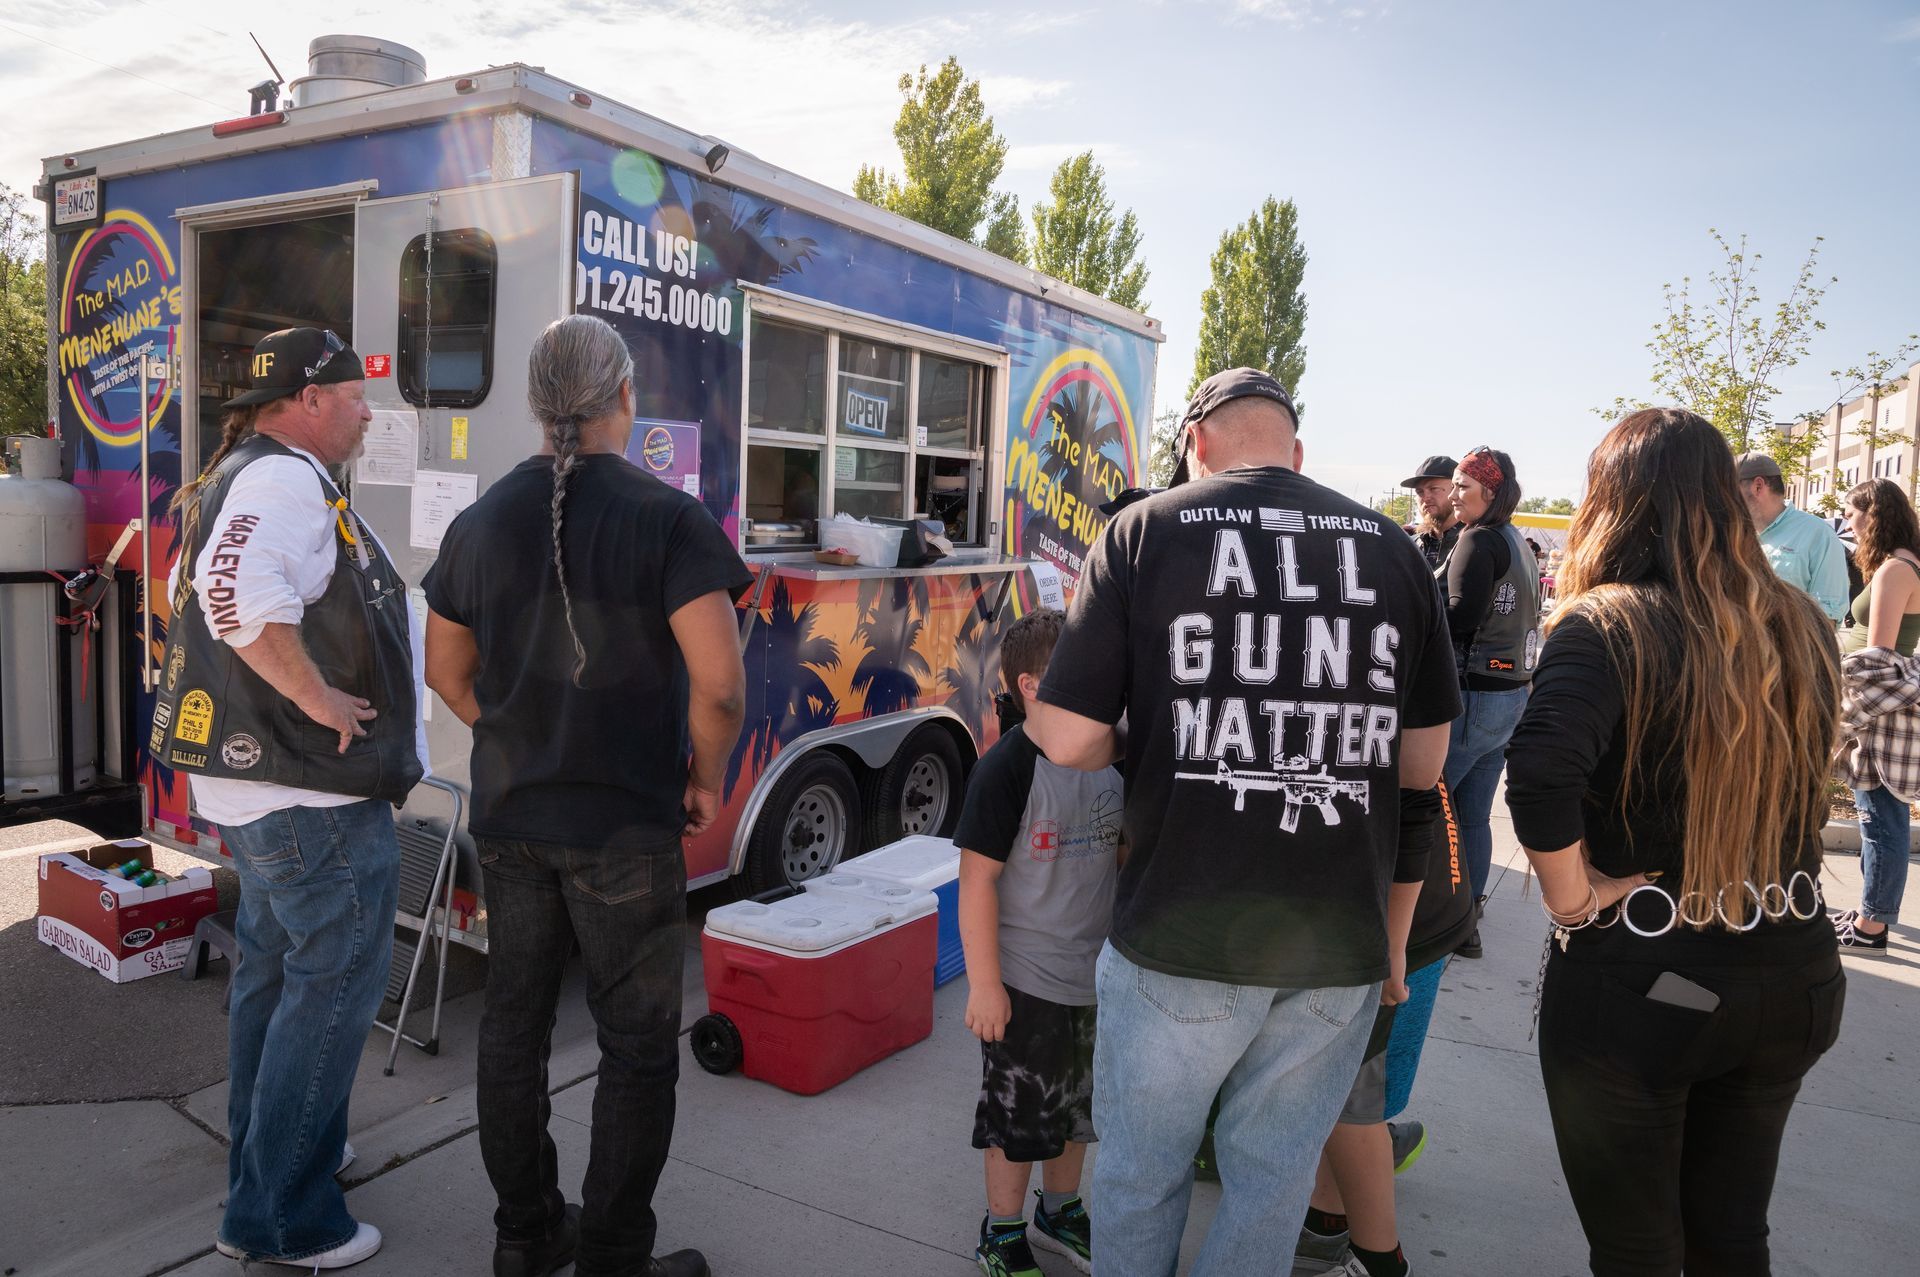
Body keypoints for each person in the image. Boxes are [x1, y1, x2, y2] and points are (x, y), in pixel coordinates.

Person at [1024, 368, 1459, 1277]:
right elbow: (1422, 771)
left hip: (1179, 926)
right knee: (1272, 1182)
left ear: (1198, 445)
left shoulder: (1143, 531)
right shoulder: (1394, 548)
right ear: (1296, 453)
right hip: (1335, 939)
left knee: (1143, 1174)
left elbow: (1064, 737)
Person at [423, 315, 749, 1277]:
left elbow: (447, 673)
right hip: (625, 828)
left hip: (514, 823)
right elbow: (722, 687)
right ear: (624, 399)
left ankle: (525, 1238)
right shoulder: (669, 519)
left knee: (513, 1031)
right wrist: (706, 778)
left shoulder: (477, 523)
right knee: (636, 1045)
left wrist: (521, 726)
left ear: (535, 405)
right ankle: (613, 1255)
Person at [1506, 408, 1845, 1275]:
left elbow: (1541, 774)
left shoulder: (1609, 622)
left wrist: (1574, 901)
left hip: (1648, 982)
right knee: (1732, 1239)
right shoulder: (1801, 622)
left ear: (1611, 503)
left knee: (1637, 1251)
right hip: (1792, 971)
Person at [153, 327, 421, 1269]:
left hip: (265, 796)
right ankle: (282, 1219)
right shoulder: (282, 479)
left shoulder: (246, 472)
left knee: (274, 981)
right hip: (309, 797)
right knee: (334, 988)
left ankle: (281, 1153)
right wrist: (322, 701)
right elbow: (234, 599)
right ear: (307, 399)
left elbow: (212, 588)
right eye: (354, 397)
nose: (365, 413)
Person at [954, 607, 1122, 1277]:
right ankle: (1001, 1230)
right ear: (1032, 684)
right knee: (1019, 1121)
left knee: (1078, 1110)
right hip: (1024, 983)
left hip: (1098, 976)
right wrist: (986, 983)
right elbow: (976, 884)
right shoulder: (1006, 770)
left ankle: (1060, 1209)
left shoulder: (1117, 752)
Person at [1293, 782, 1475, 1277]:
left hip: (1397, 917)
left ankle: (1380, 1259)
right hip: (1412, 908)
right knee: (1351, 1096)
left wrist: (1393, 947)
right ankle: (1327, 1223)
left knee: (1350, 1101)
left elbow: (1413, 800)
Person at [1437, 447, 1537, 958]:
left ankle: (1428, 918)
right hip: (1510, 695)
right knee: (1473, 813)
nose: (1453, 495)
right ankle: (1467, 919)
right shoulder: (1515, 539)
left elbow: (1459, 618)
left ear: (1489, 493)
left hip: (1475, 694)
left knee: (1428, 806)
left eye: (1462, 486)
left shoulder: (1478, 540)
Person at [1831, 478, 1920, 949]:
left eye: (1852, 512)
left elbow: (1877, 656)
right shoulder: (1901, 564)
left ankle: (1873, 926)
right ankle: (1872, 912)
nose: (1848, 522)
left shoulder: (1895, 570)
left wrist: (1843, 713)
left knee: (1880, 815)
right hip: (1883, 705)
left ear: (1874, 513)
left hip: (1879, 707)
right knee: (1877, 812)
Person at [1736, 452, 1850, 623]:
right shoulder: (1732, 534)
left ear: (1758, 486)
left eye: (1729, 490)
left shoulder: (1817, 533)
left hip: (1792, 649)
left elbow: (1827, 616)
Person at [1401, 455, 1460, 571]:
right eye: (1419, 492)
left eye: (1434, 489)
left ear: (1457, 490)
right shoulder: (1410, 546)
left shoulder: (1473, 543)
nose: (1426, 497)